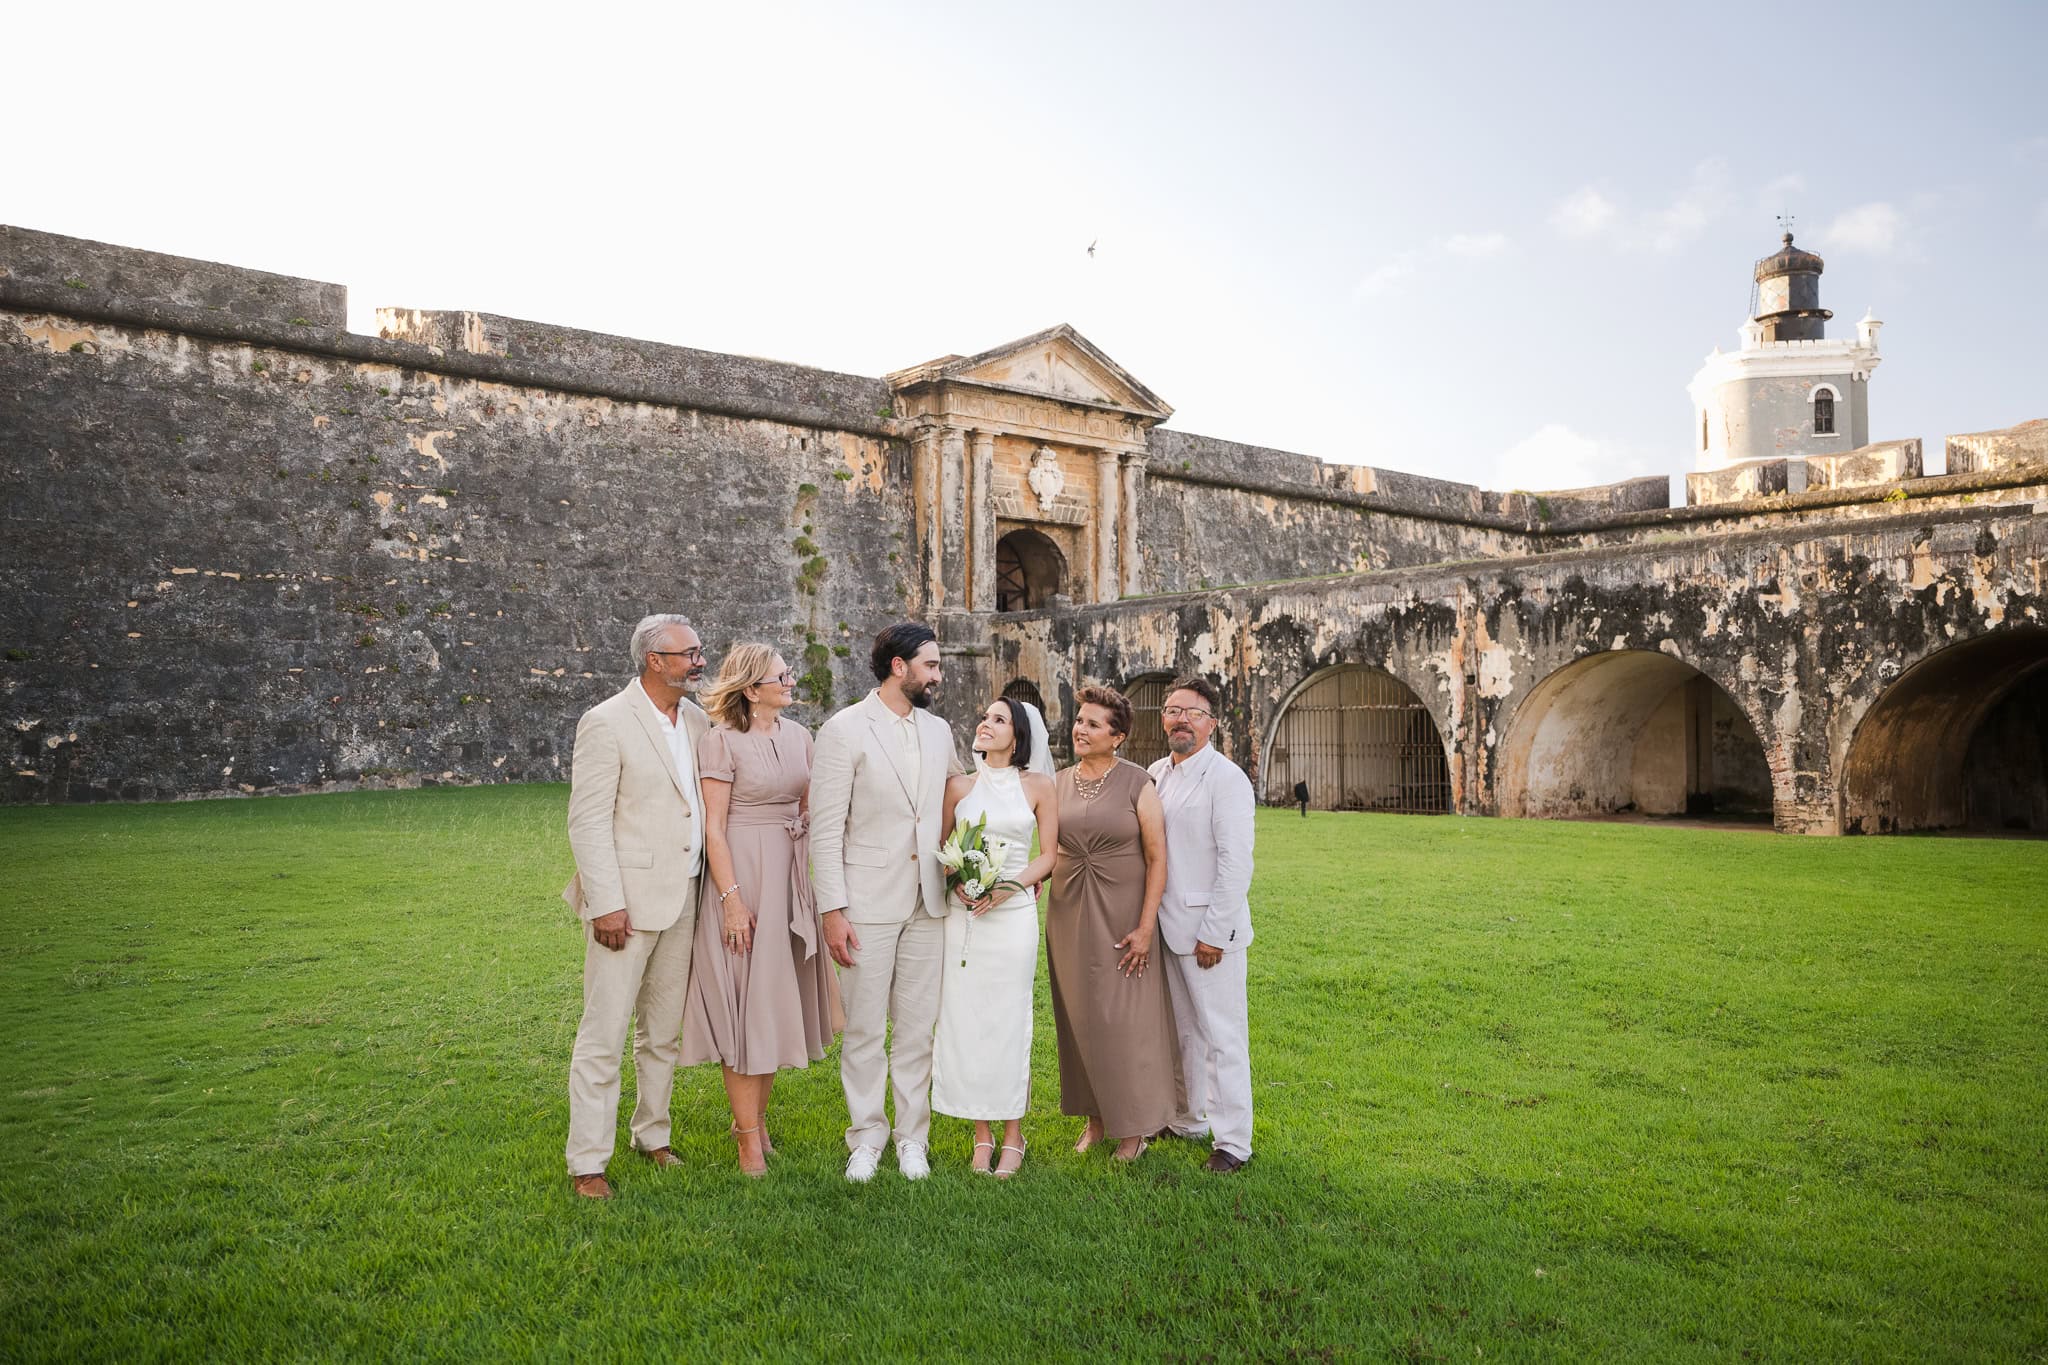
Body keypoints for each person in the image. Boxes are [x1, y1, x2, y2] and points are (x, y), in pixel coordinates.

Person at [679, 643, 843, 1177]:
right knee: (743, 1004)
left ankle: (754, 1121)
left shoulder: (801, 737)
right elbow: (714, 827)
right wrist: (731, 902)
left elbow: (808, 808)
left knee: (773, 1001)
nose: (791, 681)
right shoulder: (719, 742)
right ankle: (747, 1139)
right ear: (752, 689)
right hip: (742, 876)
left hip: (789, 877)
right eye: (782, 675)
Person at [560, 613, 708, 1199]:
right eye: (689, 653)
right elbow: (587, 820)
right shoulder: (605, 722)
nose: (699, 660)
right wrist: (605, 903)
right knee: (603, 1035)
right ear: (655, 660)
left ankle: (652, 1134)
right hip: (624, 906)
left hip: (686, 899)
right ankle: (587, 1162)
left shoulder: (696, 720)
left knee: (662, 1034)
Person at [809, 623, 964, 1182]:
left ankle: (912, 1139)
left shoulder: (940, 729)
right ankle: (867, 1137)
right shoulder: (843, 730)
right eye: (931, 665)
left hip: (929, 900)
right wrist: (832, 910)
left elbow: (959, 798)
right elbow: (824, 830)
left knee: (919, 1028)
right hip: (865, 904)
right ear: (899, 667)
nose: (938, 675)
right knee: (866, 1029)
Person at [1045, 684, 1175, 1162]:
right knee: (1080, 1021)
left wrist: (1145, 928)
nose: (1080, 729)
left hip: (1123, 919)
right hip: (1067, 915)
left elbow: (1158, 859)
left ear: (1117, 736)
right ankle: (1095, 1120)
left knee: (1124, 1023)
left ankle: (1134, 1127)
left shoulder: (1139, 783)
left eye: (1093, 723)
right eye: (1079, 720)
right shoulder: (1057, 781)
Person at [931, 696, 1058, 1178]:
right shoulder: (958, 787)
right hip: (963, 917)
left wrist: (1009, 886)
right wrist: (957, 880)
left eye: (998, 720)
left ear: (1018, 735)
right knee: (966, 1019)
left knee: (1009, 1020)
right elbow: (940, 847)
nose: (985, 724)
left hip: (1013, 914)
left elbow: (1050, 855)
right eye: (984, 717)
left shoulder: (1040, 786)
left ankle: (1012, 1134)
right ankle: (981, 1135)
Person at [1147, 677, 1257, 1173]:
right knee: (1182, 1033)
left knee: (1221, 1036)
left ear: (1211, 723)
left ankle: (1234, 1141)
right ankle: (1189, 1117)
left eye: (1192, 712)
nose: (1180, 719)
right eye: (1172, 710)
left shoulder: (1226, 778)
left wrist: (1216, 930)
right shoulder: (1156, 773)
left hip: (1208, 931)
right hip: (1166, 926)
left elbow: (1237, 862)